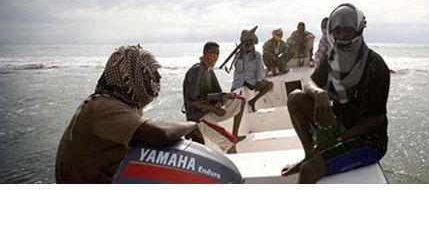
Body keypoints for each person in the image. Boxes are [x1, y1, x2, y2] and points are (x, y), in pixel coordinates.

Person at [55, 44, 200, 184]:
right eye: (152, 71)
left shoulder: (116, 102)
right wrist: (193, 125)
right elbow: (161, 134)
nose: (159, 77)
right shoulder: (104, 107)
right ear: (134, 75)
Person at [281, 4, 390, 183]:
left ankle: (314, 160)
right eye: (336, 30)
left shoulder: (375, 66)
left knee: (309, 171)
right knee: (295, 98)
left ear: (359, 30)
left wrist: (337, 140)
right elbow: (310, 82)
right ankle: (308, 154)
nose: (341, 36)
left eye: (347, 30)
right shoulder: (333, 56)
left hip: (368, 140)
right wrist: (318, 93)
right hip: (340, 122)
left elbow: (375, 119)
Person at [183, 41, 246, 154]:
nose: (215, 57)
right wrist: (215, 109)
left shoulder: (209, 70)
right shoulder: (197, 70)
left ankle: (235, 135)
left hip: (210, 110)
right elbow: (191, 101)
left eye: (217, 54)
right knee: (230, 144)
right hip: (199, 117)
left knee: (240, 100)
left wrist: (225, 97)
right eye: (212, 53)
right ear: (205, 53)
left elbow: (217, 93)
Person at [231, 29, 274, 113]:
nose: (249, 45)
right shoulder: (238, 55)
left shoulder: (257, 55)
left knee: (269, 84)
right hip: (239, 83)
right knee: (233, 95)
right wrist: (240, 52)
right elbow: (237, 69)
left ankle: (253, 101)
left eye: (251, 42)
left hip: (252, 82)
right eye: (246, 43)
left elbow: (260, 70)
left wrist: (258, 81)